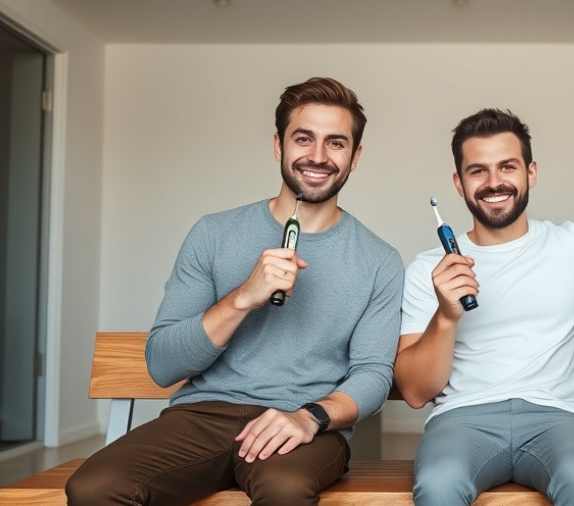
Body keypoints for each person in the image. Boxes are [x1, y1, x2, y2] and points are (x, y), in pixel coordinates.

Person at [66, 77, 404, 506]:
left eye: (336, 143)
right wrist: (244, 296)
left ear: (355, 157)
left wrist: (310, 417)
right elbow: (162, 364)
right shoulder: (213, 234)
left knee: (285, 490)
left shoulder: (380, 261)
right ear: (278, 146)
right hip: (201, 416)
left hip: (301, 424)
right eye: (304, 138)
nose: (318, 156)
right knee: (93, 487)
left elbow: (374, 373)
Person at [395, 108, 574, 506]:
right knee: (438, 484)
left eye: (507, 166)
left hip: (557, 418)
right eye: (478, 171)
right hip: (463, 419)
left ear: (530, 173)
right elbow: (415, 393)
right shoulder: (426, 269)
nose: (494, 182)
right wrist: (446, 316)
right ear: (459, 183)